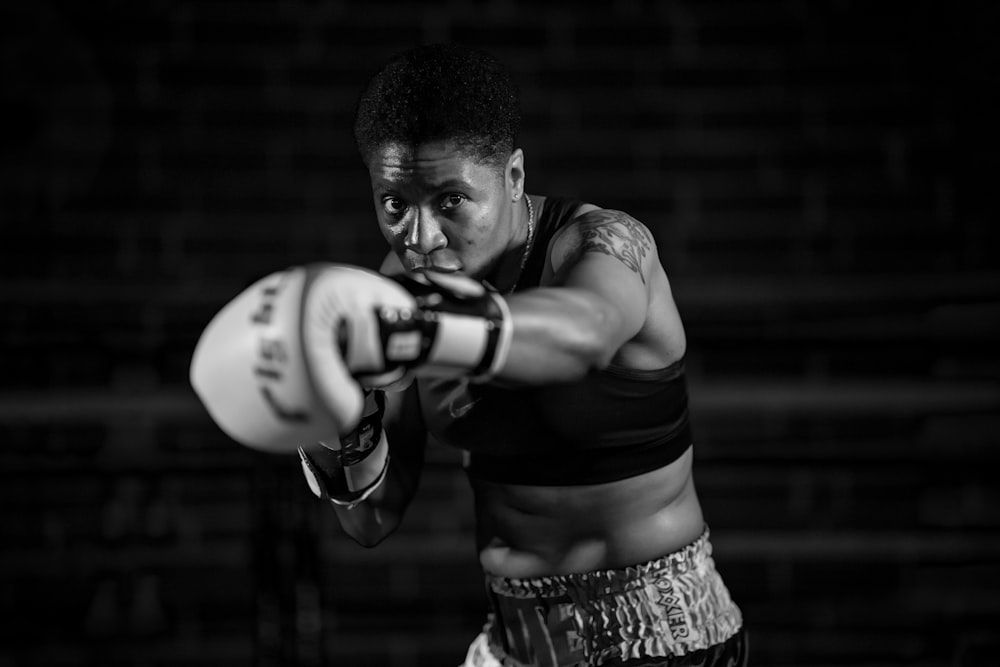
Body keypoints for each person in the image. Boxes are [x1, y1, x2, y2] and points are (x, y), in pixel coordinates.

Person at [190, 44, 746, 667]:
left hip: (663, 634)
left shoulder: (602, 244)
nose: (421, 239)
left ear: (512, 178)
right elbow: (372, 519)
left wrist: (421, 333)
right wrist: (336, 413)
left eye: (451, 200)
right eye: (395, 204)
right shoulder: (394, 289)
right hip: (513, 642)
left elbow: (585, 331)